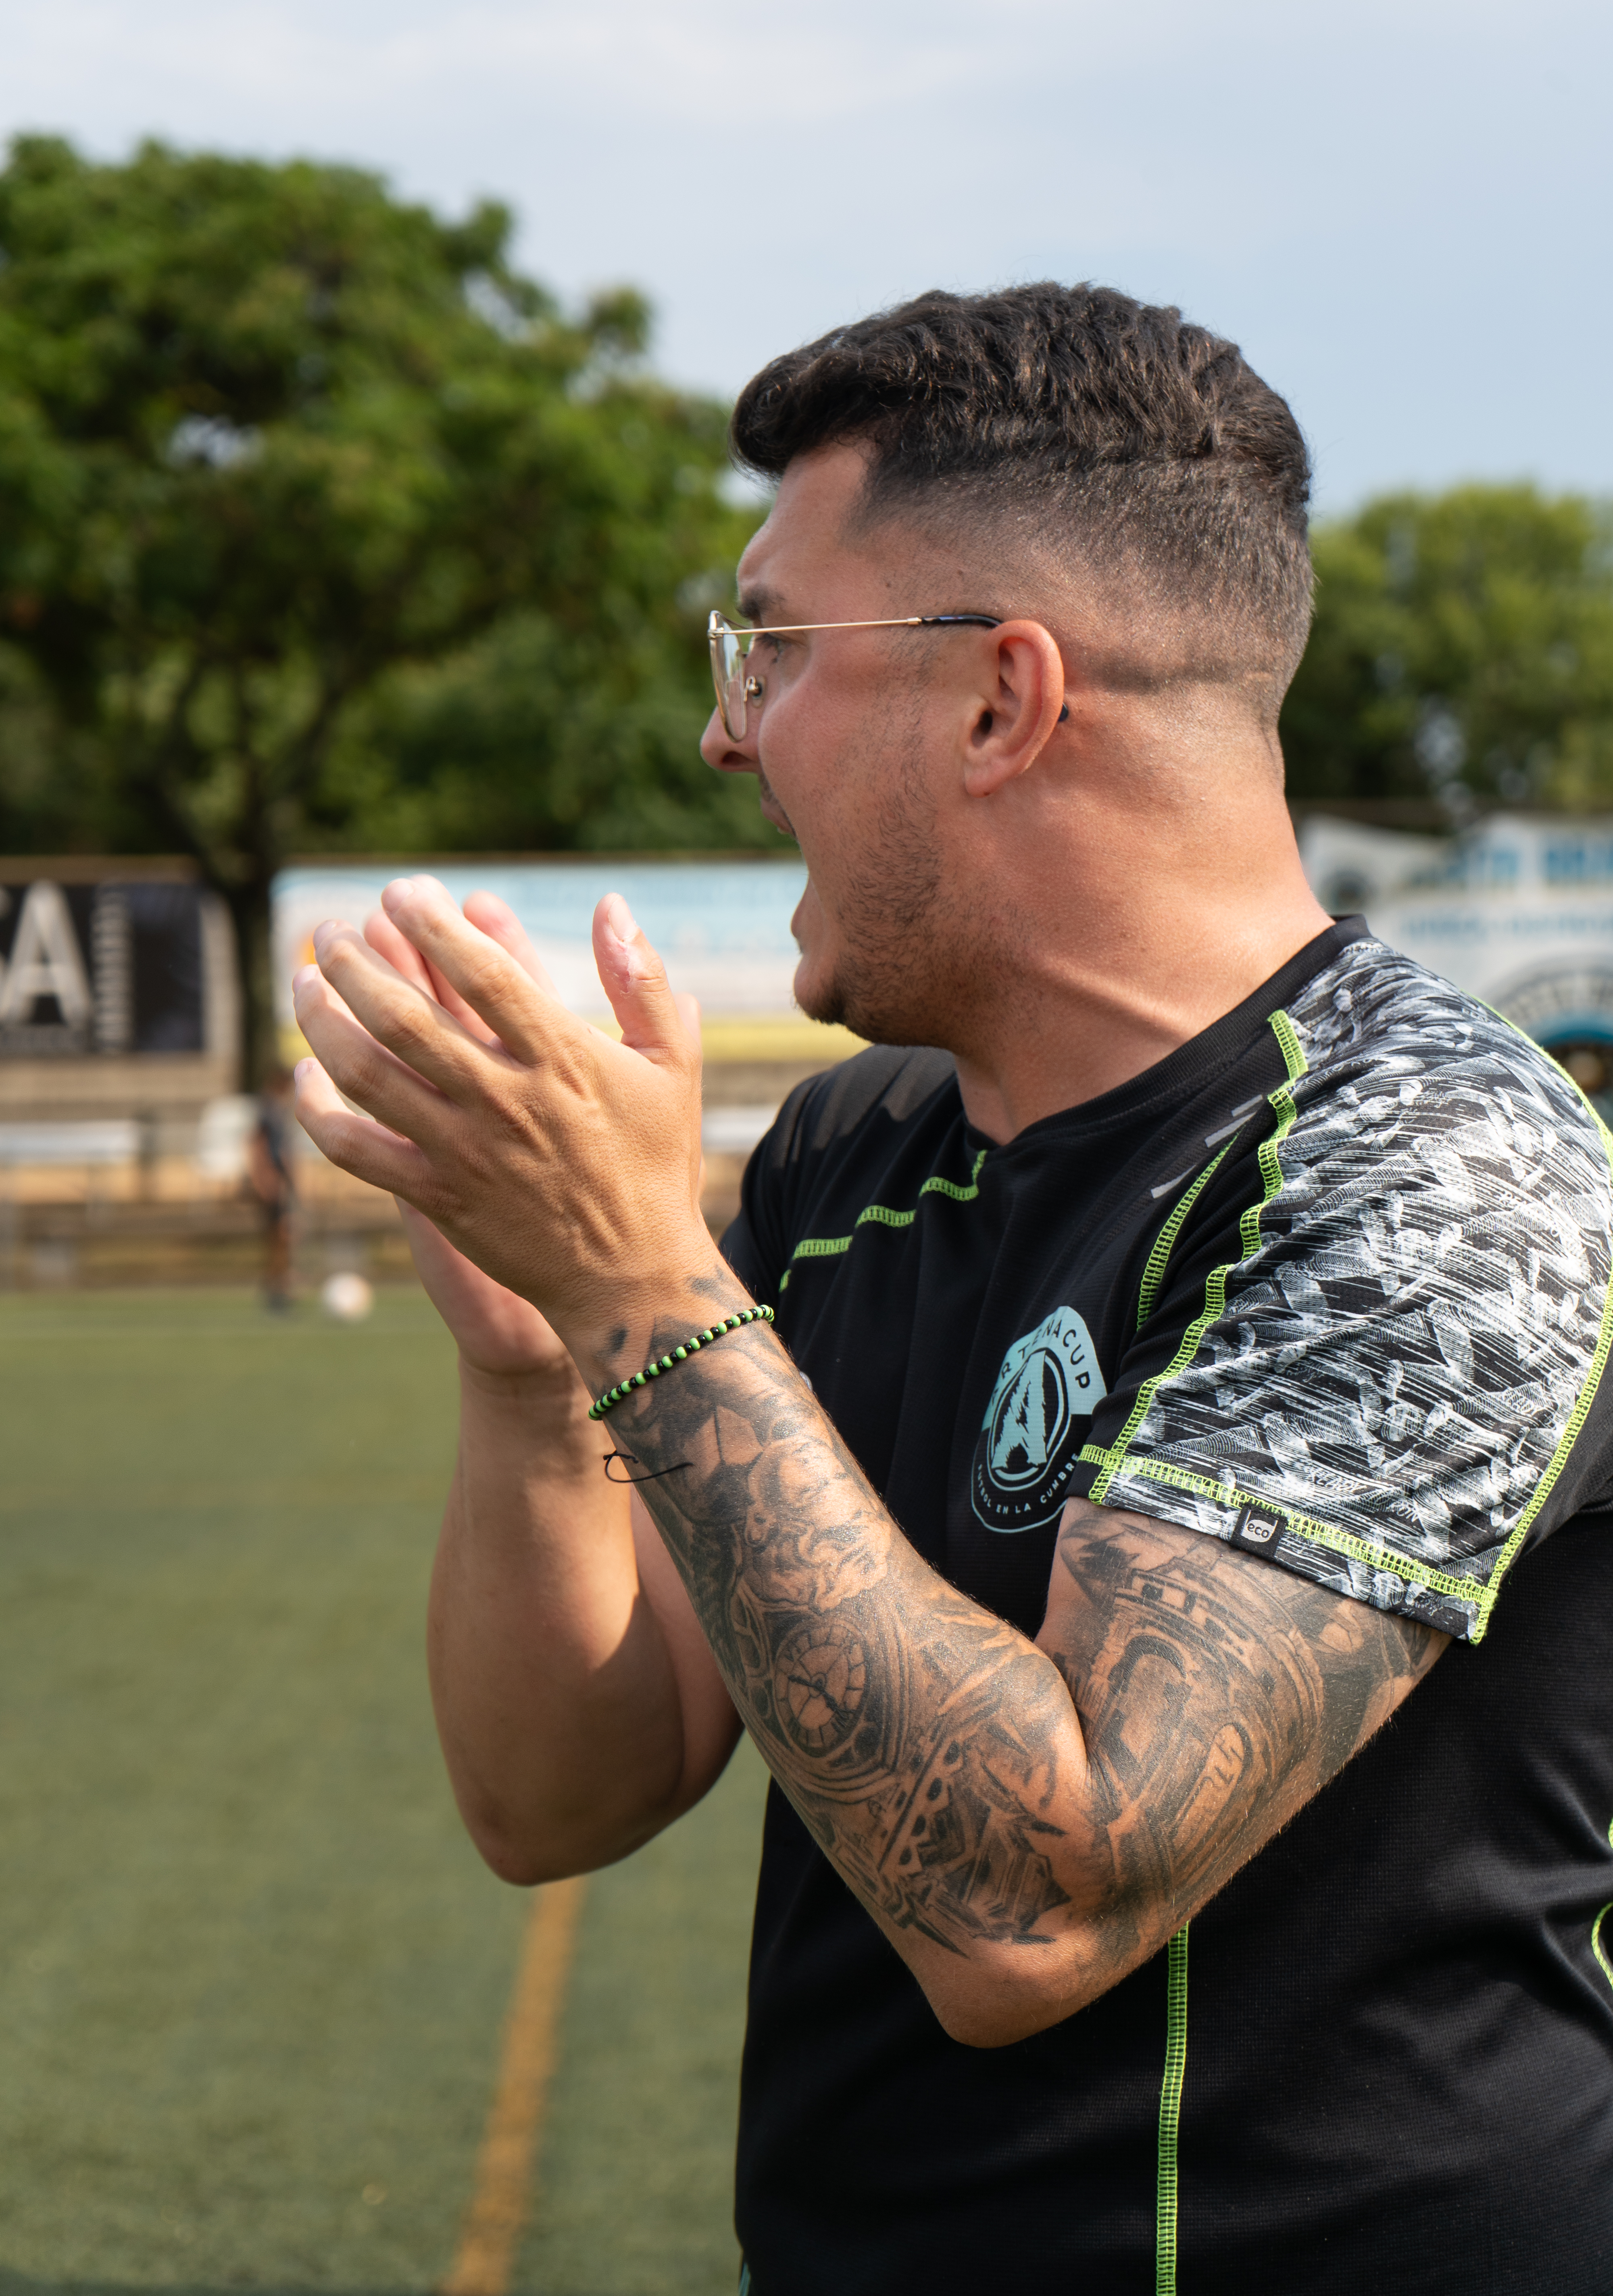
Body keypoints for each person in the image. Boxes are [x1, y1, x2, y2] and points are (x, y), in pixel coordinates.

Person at [290, 285, 1613, 2294]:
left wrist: (644, 1285)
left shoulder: (1435, 1164)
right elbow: (560, 1792)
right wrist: (526, 1376)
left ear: (1001, 700)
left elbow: (1026, 1905)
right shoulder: (850, 1157)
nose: (725, 732)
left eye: (772, 650)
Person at [247, 1064, 298, 1309]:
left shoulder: (279, 1108)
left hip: (282, 1180)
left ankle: (281, 1287)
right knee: (278, 1236)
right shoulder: (269, 1109)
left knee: (283, 1236)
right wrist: (262, 1178)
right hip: (273, 1182)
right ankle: (276, 1290)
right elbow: (257, 1143)